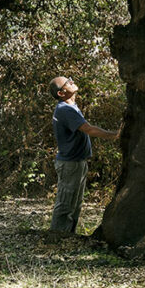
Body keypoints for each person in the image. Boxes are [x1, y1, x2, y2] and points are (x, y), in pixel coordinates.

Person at [48, 75, 119, 236]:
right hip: (70, 164)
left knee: (76, 204)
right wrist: (115, 135)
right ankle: (56, 238)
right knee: (66, 204)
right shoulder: (65, 109)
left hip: (78, 162)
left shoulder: (71, 106)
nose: (72, 82)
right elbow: (89, 129)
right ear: (61, 93)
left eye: (70, 79)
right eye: (68, 82)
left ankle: (69, 236)